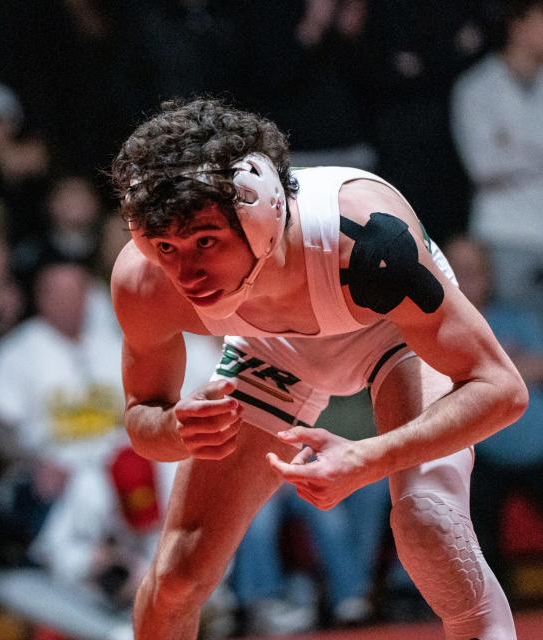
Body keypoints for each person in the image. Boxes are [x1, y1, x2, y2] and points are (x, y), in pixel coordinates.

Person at [108, 98, 528, 640]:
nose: (186, 271)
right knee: (176, 581)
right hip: (271, 349)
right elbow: (144, 422)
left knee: (430, 525)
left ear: (259, 217)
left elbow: (501, 389)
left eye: (205, 241)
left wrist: (367, 457)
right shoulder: (146, 281)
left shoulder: (369, 241)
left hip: (387, 330)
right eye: (165, 245)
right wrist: (177, 428)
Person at [444, 234, 543, 595]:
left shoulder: (513, 318)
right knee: (476, 538)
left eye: (473, 271)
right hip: (479, 458)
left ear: (488, 277)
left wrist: (480, 372)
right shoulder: (436, 326)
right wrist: (510, 366)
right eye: (456, 270)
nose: (465, 279)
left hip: (536, 449)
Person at [451, 0, 543, 311]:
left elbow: (500, 160)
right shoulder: (476, 87)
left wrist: (511, 147)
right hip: (501, 234)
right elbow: (483, 165)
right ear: (517, 24)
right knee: (508, 335)